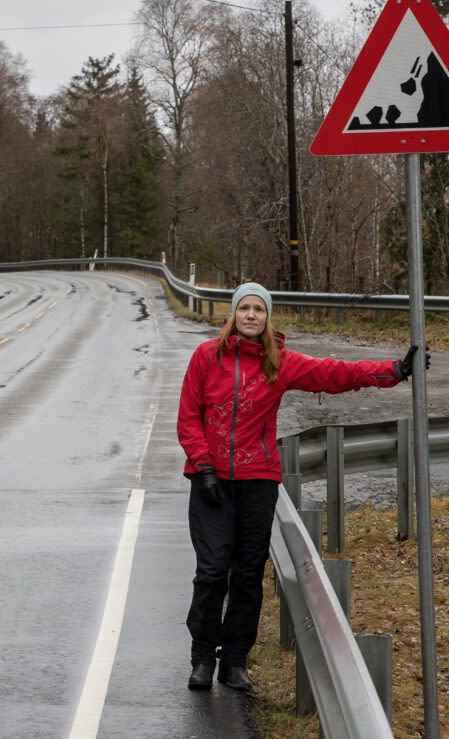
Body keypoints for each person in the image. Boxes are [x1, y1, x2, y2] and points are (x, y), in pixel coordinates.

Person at [176, 282, 429, 692]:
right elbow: (189, 416)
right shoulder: (207, 356)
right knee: (211, 571)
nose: (252, 316)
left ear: (268, 316)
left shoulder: (280, 363)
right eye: (245, 308)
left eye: (259, 309)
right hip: (211, 482)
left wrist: (393, 371)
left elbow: (334, 374)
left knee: (247, 572)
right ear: (234, 315)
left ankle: (235, 659)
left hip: (258, 479)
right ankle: (203, 656)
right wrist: (203, 466)